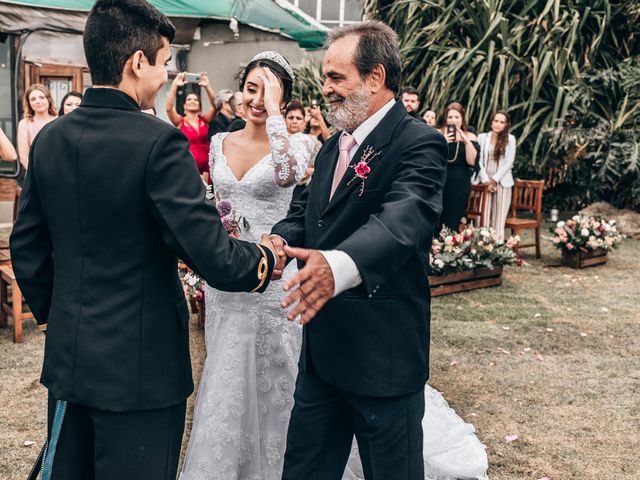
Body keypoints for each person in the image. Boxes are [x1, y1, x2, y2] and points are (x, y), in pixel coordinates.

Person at [9, 1, 279, 478]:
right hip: (143, 374)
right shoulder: (159, 142)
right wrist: (263, 257)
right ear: (138, 63)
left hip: (71, 364)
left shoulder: (50, 138)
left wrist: (63, 315)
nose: (164, 76)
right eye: (164, 63)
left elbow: (27, 246)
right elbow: (211, 254)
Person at [270, 21, 449, 479]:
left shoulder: (418, 142)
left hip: (381, 360)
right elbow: (307, 212)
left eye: (336, 77)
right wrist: (277, 241)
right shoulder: (332, 148)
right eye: (325, 77)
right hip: (323, 358)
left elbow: (403, 218)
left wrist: (339, 264)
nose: (325, 89)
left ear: (375, 78)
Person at [180, 51, 312, 480]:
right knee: (225, 373)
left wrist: (275, 112)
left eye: (267, 92)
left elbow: (287, 174)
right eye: (251, 88)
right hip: (226, 280)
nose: (256, 99)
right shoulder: (219, 142)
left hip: (276, 283)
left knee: (277, 375)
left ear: (283, 99)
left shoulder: (299, 144)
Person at [165, 72, 217, 180]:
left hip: (207, 166)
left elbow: (215, 105)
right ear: (184, 105)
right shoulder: (180, 121)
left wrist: (207, 86)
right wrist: (175, 84)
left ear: (200, 106)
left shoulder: (204, 120)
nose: (192, 101)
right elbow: (169, 108)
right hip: (188, 167)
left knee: (208, 195)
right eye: (189, 99)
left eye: (195, 99)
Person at [438, 102, 480, 230]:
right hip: (440, 180)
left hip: (460, 182)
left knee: (453, 217)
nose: (453, 120)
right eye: (450, 117)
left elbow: (472, 161)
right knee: (437, 215)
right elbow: (432, 157)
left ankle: (449, 246)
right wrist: (443, 141)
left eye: (457, 117)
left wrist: (465, 141)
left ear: (462, 119)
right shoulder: (438, 133)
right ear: (445, 118)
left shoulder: (470, 136)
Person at [476, 111, 516, 240]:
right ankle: (480, 248)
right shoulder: (482, 137)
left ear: (506, 125)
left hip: (502, 182)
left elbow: (509, 162)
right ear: (491, 122)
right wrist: (486, 180)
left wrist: (494, 180)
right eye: (496, 121)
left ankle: (497, 252)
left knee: (498, 219)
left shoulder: (510, 139)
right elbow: (478, 161)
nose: (498, 124)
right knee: (482, 218)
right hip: (484, 181)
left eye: (501, 122)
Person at [285, 100, 321, 202]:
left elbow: (320, 167)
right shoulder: (278, 141)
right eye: (291, 117)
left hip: (302, 190)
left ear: (304, 120)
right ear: (284, 119)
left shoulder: (313, 141)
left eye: (298, 118)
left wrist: (310, 171)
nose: (294, 121)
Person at [16, 84, 57, 170]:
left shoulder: (59, 120)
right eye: (33, 99)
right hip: (35, 173)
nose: (38, 101)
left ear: (48, 99)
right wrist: (35, 176)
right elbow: (24, 157)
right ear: (29, 103)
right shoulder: (24, 124)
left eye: (42, 97)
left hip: (58, 172)